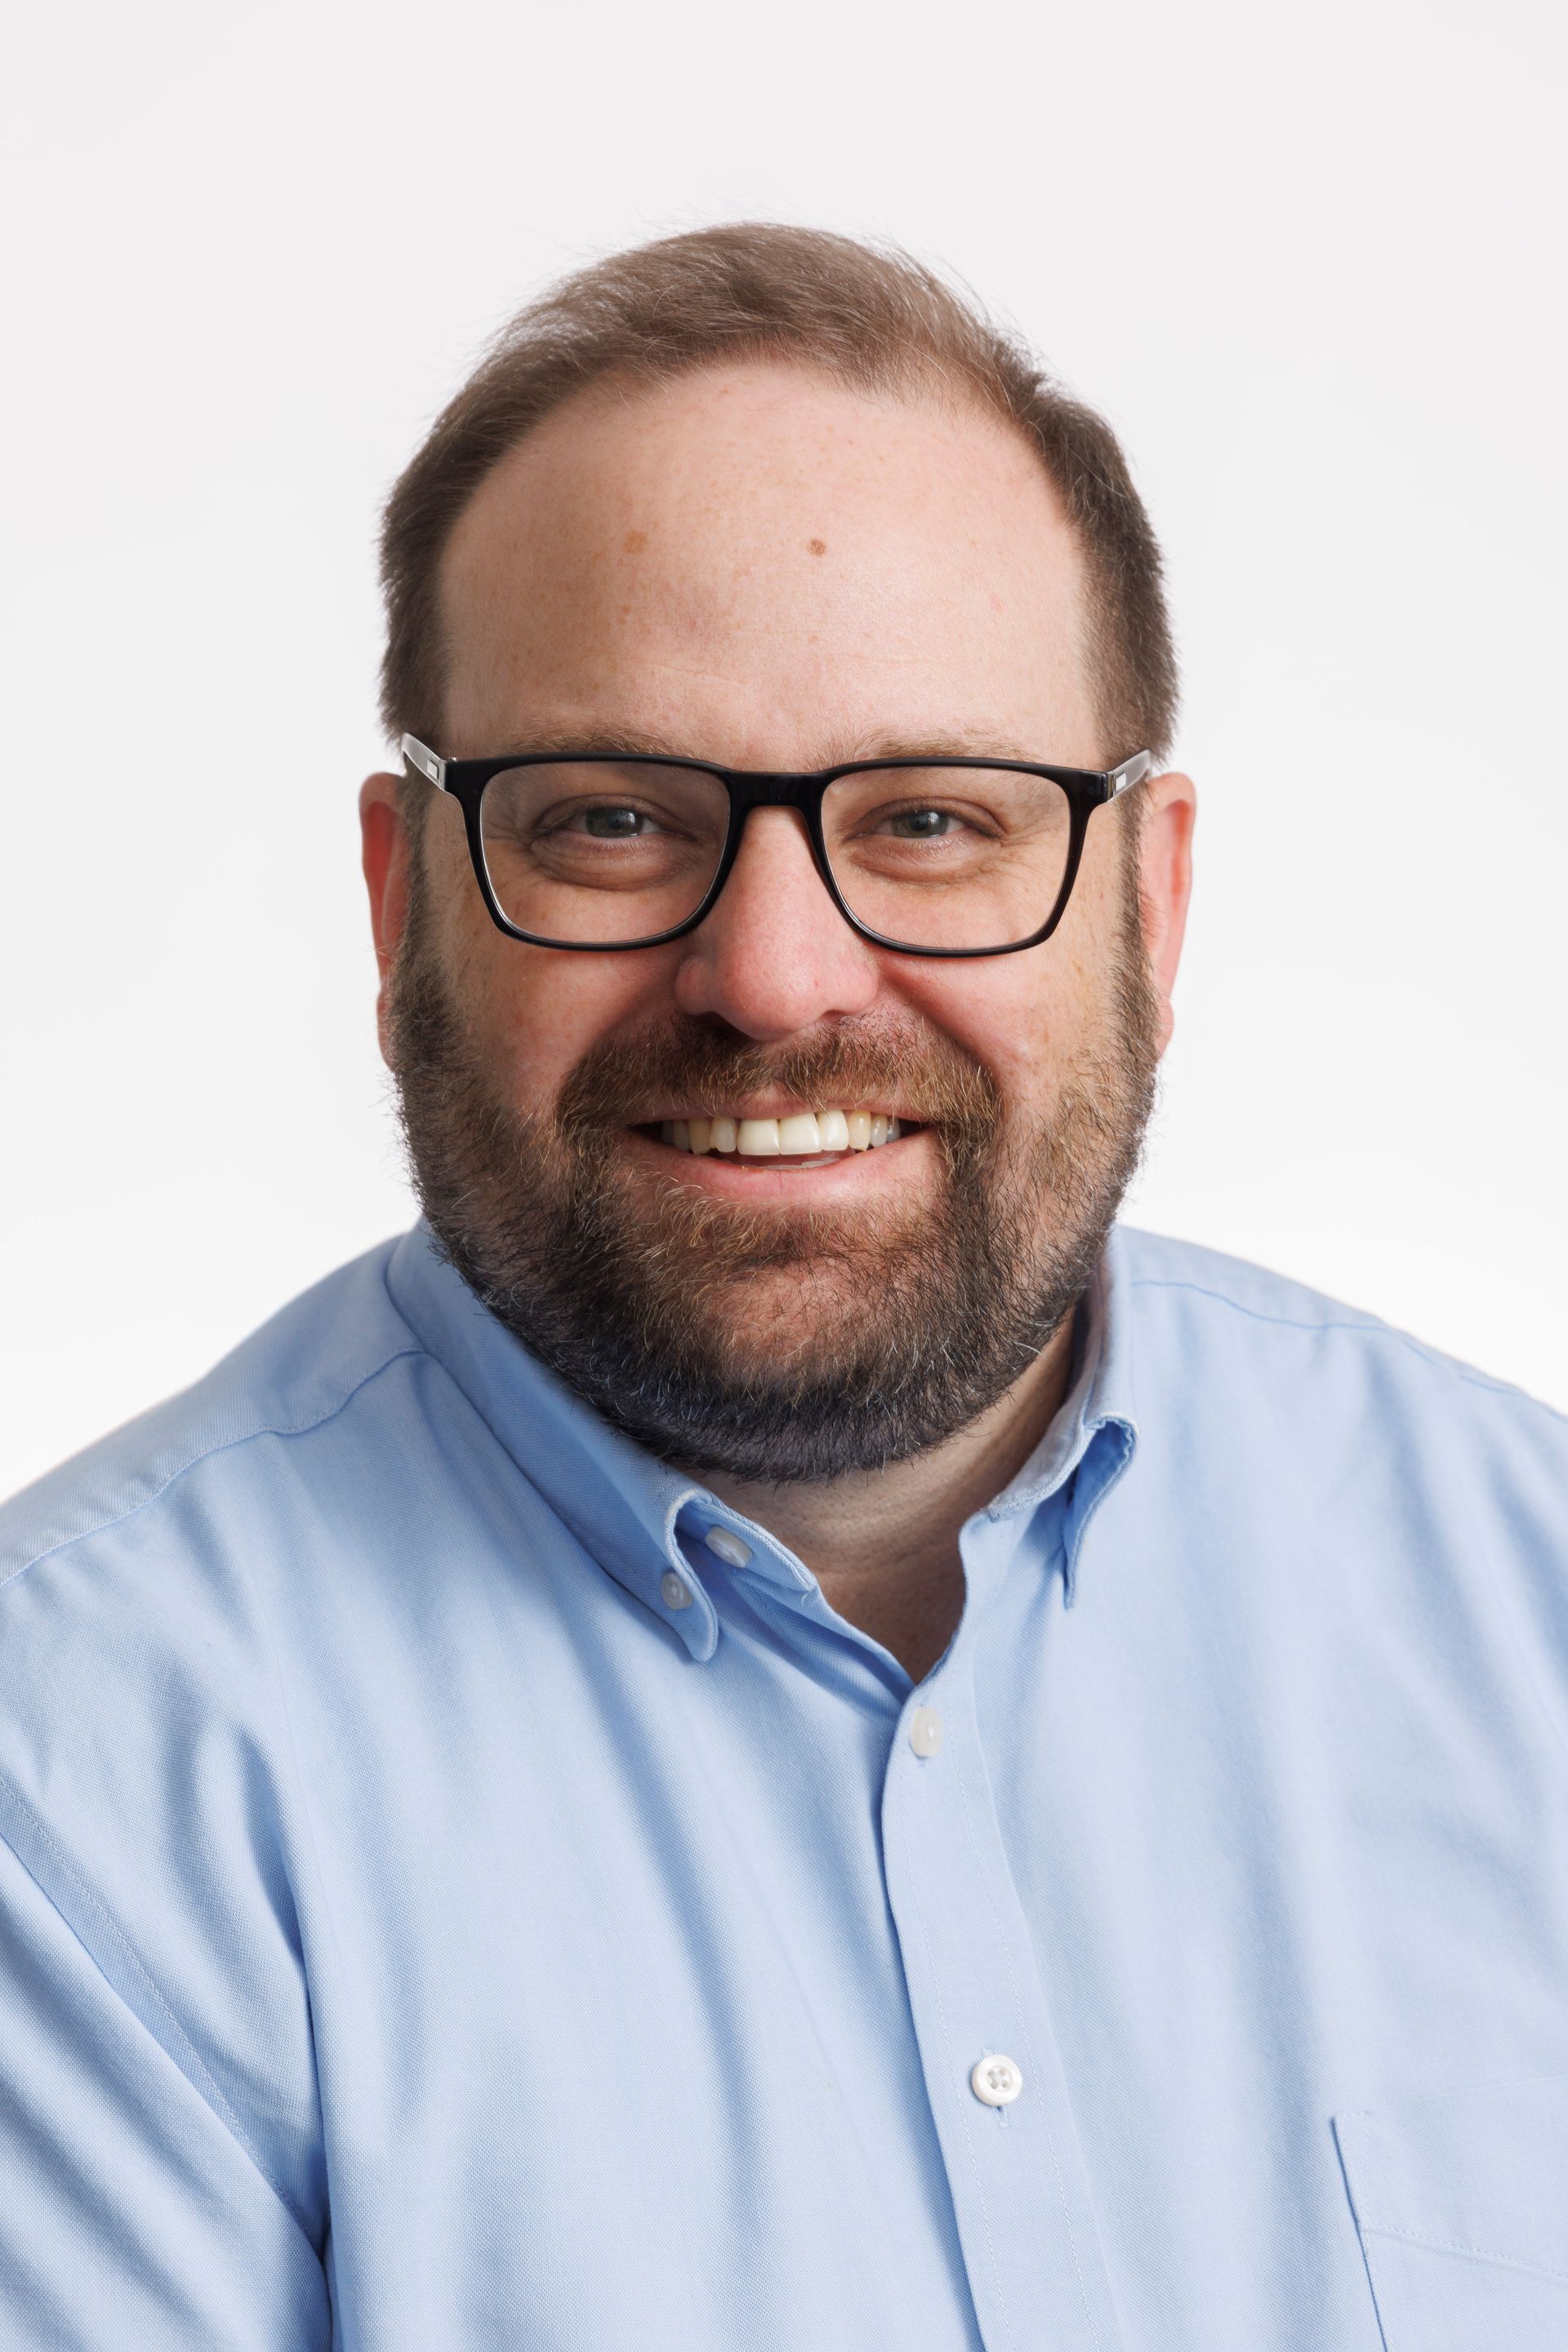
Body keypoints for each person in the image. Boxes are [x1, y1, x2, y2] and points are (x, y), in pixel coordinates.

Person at [1, 223, 1564, 2352]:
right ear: (401, 910)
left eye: (932, 817)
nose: (773, 978)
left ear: (1153, 904)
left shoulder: (1530, 1600)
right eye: (615, 820)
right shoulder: (74, 1786)